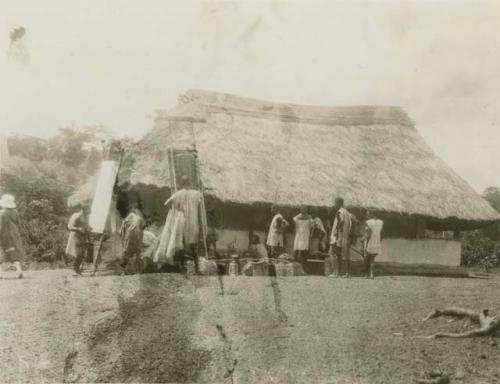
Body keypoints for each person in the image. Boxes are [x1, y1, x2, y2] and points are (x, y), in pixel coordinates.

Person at [154, 175, 205, 273]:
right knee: (194, 246)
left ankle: (183, 267)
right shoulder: (196, 194)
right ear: (189, 183)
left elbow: (166, 203)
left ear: (181, 184)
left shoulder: (177, 194)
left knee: (181, 244)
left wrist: (175, 210)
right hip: (193, 222)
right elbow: (200, 204)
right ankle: (197, 268)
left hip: (182, 221)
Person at [0, 194, 26, 279]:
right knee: (14, 254)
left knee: (2, 253)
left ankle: (0, 273)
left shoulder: (2, 213)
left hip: (5, 235)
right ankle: (19, 271)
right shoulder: (15, 212)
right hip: (15, 235)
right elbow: (19, 224)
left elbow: (1, 226)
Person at [329, 197, 352, 278]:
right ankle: (345, 273)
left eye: (335, 203)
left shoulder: (339, 211)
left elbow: (341, 221)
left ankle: (335, 273)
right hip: (345, 237)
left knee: (333, 253)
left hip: (338, 236)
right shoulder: (347, 213)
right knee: (343, 255)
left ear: (338, 203)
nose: (334, 205)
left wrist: (336, 230)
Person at [120, 204, 146, 274]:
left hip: (132, 234)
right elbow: (143, 226)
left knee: (128, 251)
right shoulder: (140, 218)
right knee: (137, 252)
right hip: (137, 235)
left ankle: (126, 269)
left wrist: (121, 231)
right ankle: (137, 270)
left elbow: (123, 222)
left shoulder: (131, 215)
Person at [66, 203, 91, 276]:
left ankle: (76, 268)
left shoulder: (86, 217)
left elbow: (85, 225)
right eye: (89, 209)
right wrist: (78, 229)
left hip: (83, 238)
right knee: (78, 254)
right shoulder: (76, 216)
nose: (90, 211)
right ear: (84, 209)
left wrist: (89, 228)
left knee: (82, 254)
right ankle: (75, 269)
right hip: (76, 237)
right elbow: (69, 226)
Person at [363, 210, 383, 279]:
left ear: (372, 214)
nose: (366, 216)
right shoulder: (381, 222)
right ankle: (372, 274)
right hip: (376, 242)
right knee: (372, 259)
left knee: (366, 258)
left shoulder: (368, 222)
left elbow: (367, 234)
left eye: (368, 214)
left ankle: (366, 274)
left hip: (369, 242)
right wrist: (379, 241)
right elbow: (382, 233)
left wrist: (364, 241)